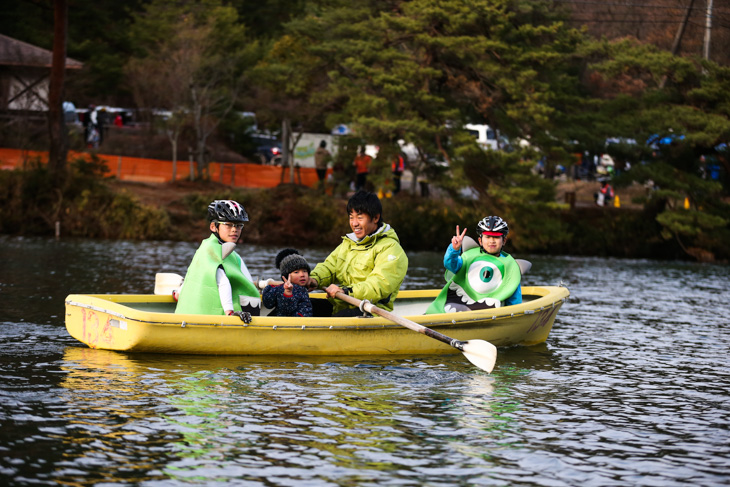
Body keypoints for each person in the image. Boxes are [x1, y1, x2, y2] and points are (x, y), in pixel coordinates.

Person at [306, 190, 408, 317]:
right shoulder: (348, 244)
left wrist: (346, 291)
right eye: (351, 217)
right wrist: (314, 279)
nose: (354, 223)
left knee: (342, 316)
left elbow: (378, 285)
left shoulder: (391, 249)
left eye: (360, 217)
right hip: (341, 305)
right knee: (301, 304)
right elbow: (329, 267)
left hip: (371, 311)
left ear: (375, 218)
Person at [174, 200, 260, 321]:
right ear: (213, 227)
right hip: (208, 316)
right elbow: (222, 282)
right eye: (228, 225)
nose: (235, 229)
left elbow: (192, 273)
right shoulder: (210, 250)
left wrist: (178, 294)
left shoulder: (231, 255)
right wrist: (230, 312)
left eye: (239, 225)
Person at [426, 215, 522, 314]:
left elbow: (513, 294)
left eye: (496, 237)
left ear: (504, 241)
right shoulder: (469, 257)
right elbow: (450, 264)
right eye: (487, 237)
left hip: (489, 313)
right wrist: (454, 249)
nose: (492, 240)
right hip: (459, 306)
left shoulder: (510, 265)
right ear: (480, 240)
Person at [262, 249, 313, 317]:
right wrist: (287, 293)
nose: (302, 275)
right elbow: (286, 310)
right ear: (286, 276)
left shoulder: (302, 288)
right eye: (296, 272)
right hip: (292, 324)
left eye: (304, 271)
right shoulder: (284, 289)